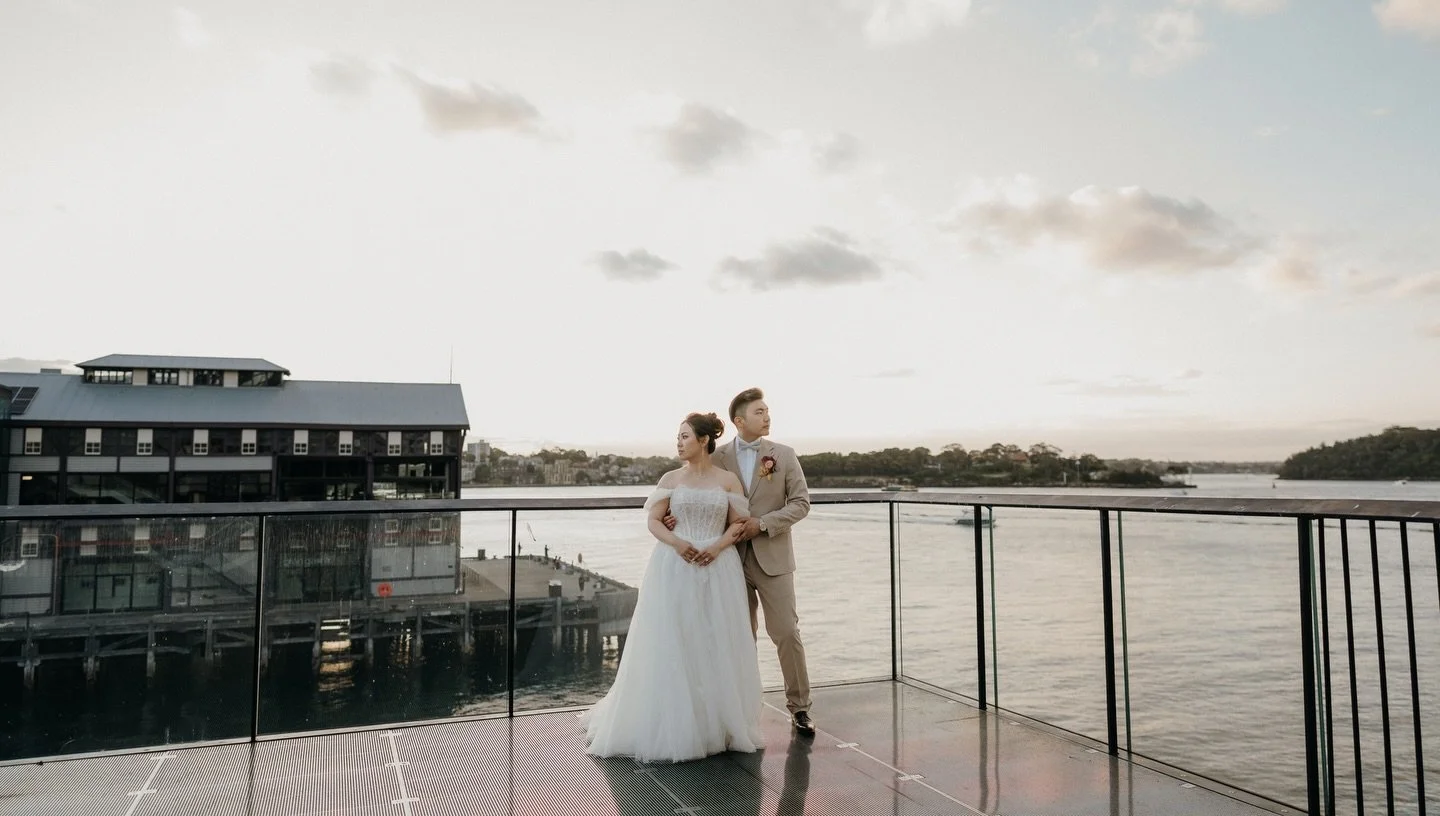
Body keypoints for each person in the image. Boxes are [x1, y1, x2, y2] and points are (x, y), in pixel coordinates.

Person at [583, 412, 764, 763]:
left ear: (703, 441)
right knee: (673, 639)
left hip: (717, 565)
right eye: (677, 437)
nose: (678, 442)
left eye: (684, 436)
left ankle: (716, 723)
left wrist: (717, 546)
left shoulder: (727, 481)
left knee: (714, 640)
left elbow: (738, 523)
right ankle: (677, 723)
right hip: (674, 565)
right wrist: (678, 543)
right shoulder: (670, 478)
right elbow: (653, 520)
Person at [704, 387, 815, 736]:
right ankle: (740, 709)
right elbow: (701, 497)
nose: (767, 416)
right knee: (739, 636)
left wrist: (763, 524)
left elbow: (801, 503)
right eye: (759, 412)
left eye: (768, 411)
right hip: (730, 558)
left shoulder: (783, 454)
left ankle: (799, 708)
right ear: (739, 420)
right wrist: (676, 517)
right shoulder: (717, 458)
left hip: (774, 558)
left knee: (786, 632)